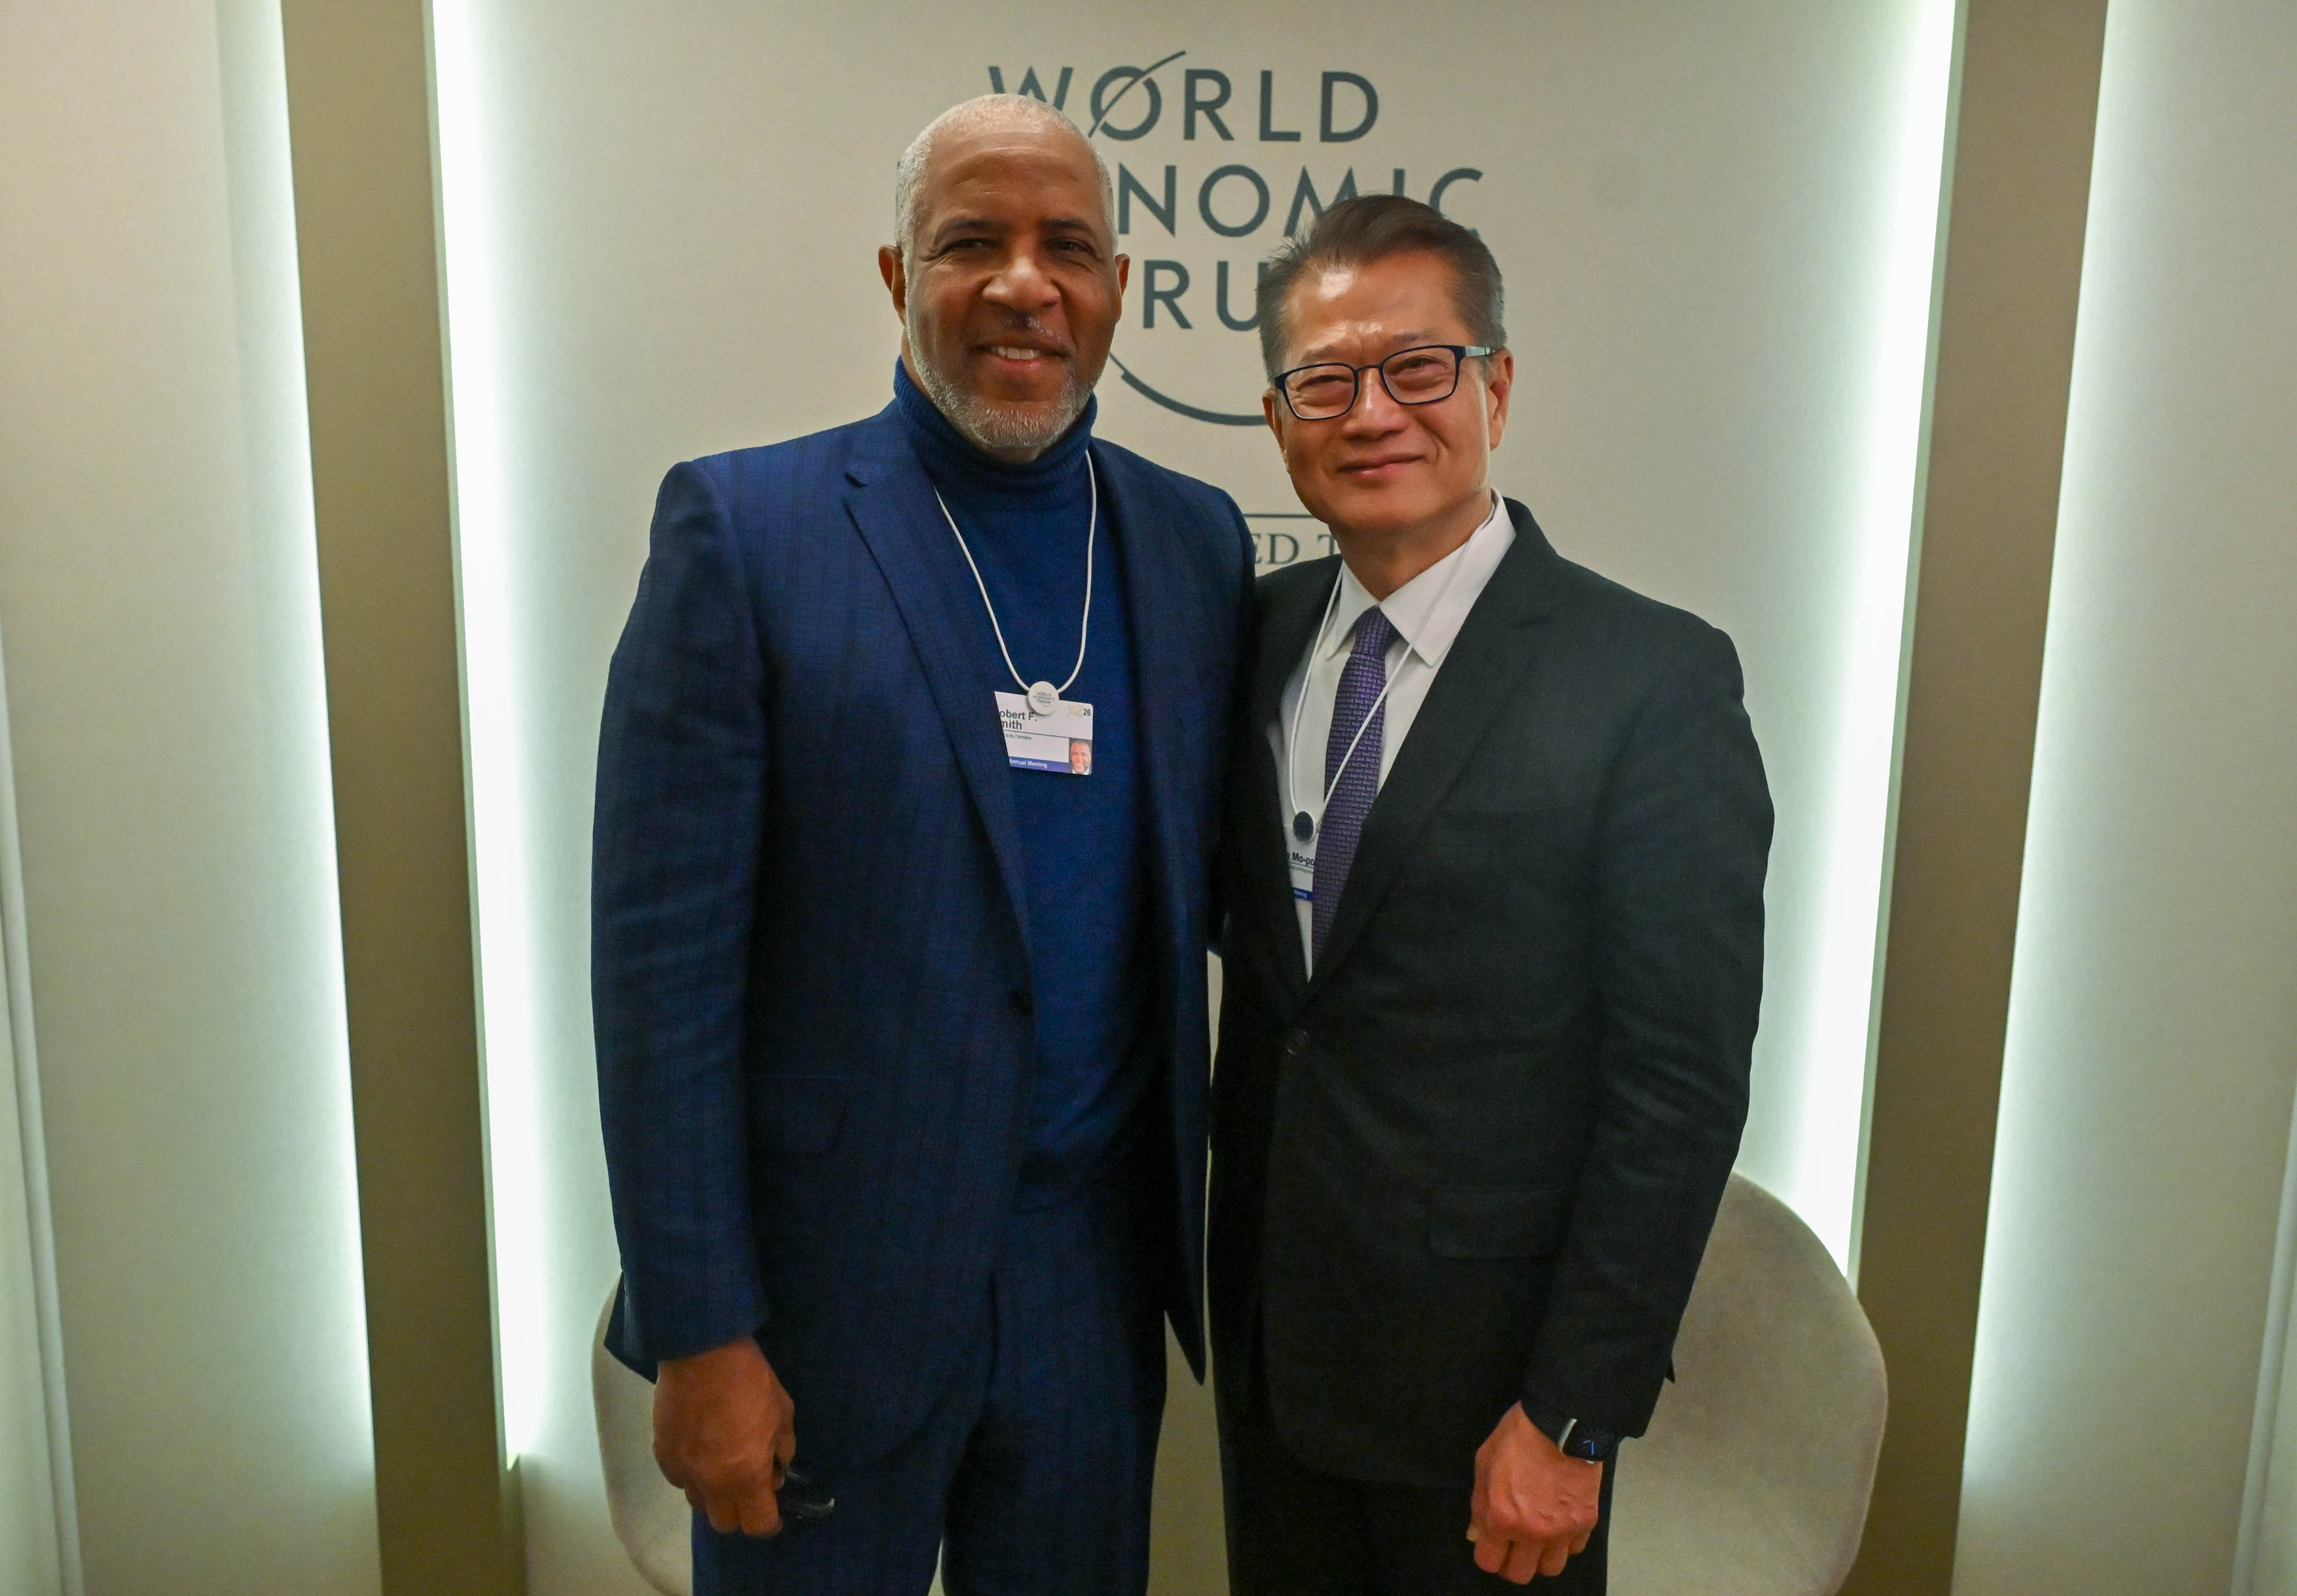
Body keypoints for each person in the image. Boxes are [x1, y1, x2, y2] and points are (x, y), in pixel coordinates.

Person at [592, 94, 1254, 1596]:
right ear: (899, 277)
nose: (1024, 284)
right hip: (822, 1300)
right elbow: (659, 979)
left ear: (1116, 288)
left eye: (1066, 247)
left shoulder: (1193, 542)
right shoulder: (746, 531)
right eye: (970, 244)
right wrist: (701, 1332)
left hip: (1091, 1286)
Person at [1209, 195, 1773, 1593]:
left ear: (1496, 388)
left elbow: (1678, 1084)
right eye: (1324, 382)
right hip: (1276, 1367)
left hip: (1493, 1409)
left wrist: (1574, 1413)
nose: (1372, 414)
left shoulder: (1650, 681)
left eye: (1418, 368)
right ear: (1279, 421)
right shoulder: (1247, 640)